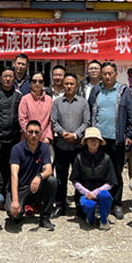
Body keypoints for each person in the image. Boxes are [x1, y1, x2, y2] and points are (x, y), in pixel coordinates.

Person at [88, 61, 132, 220]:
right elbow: (90, 113)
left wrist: (129, 135)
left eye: (110, 73)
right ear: (101, 75)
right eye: (104, 74)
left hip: (117, 140)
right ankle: (99, 201)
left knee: (116, 172)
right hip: (98, 140)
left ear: (116, 74)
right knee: (97, 171)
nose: (107, 76)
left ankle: (116, 203)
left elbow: (131, 115)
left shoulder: (123, 92)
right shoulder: (96, 90)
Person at [50, 72, 90, 218]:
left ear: (76, 85)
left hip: (78, 146)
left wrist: (75, 135)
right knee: (61, 176)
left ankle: (80, 206)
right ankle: (60, 205)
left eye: (71, 84)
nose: (69, 86)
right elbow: (54, 122)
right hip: (61, 145)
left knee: (79, 176)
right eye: (66, 84)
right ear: (63, 85)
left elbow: (86, 122)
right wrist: (64, 134)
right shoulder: (57, 103)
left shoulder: (83, 103)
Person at [8, 120, 57, 230]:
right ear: (25, 133)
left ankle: (45, 217)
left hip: (34, 188)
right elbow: (14, 175)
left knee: (52, 181)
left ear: (41, 134)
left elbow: (49, 170)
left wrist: (39, 176)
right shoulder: (17, 149)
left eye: (36, 132)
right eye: (30, 132)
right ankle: (20, 210)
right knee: (13, 214)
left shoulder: (44, 148)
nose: (34, 135)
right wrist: (15, 201)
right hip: (19, 189)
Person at [69, 127, 117, 230]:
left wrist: (96, 192)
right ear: (86, 141)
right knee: (88, 205)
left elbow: (110, 182)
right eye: (90, 139)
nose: (93, 142)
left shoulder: (106, 158)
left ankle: (104, 220)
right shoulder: (79, 158)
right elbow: (75, 180)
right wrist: (87, 193)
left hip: (101, 192)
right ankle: (90, 217)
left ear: (100, 142)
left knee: (105, 195)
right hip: (85, 194)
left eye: (96, 139)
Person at [19, 71, 54, 146]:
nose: (37, 84)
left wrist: (48, 137)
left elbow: (51, 121)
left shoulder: (49, 100)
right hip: (28, 140)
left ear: (43, 83)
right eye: (34, 81)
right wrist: (31, 135)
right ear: (30, 83)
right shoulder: (25, 99)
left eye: (40, 81)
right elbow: (22, 120)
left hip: (45, 141)